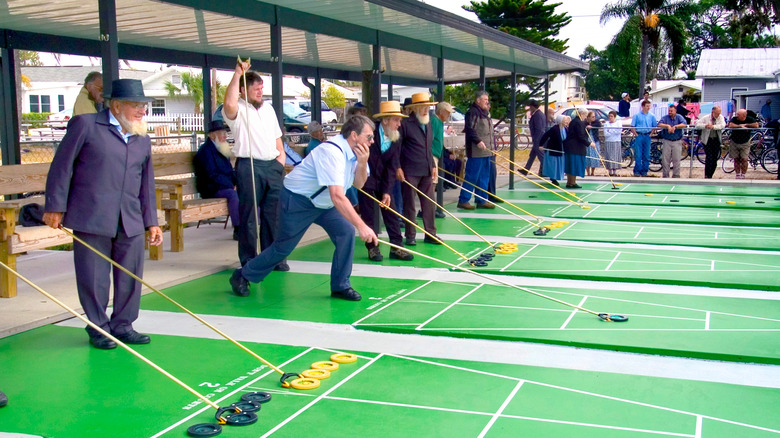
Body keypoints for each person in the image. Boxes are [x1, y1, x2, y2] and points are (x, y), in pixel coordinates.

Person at [43, 79, 163, 350]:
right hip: (91, 215)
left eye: (143, 105)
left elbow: (146, 182)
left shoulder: (142, 137)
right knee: (93, 276)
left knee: (130, 276)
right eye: (136, 105)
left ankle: (123, 325)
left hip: (130, 218)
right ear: (117, 105)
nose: (142, 110)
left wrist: (151, 221)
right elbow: (61, 167)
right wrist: (55, 207)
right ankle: (98, 327)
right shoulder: (86, 125)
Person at [229, 115, 378, 301]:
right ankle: (242, 275)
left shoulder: (357, 152)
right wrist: (362, 225)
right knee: (283, 248)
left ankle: (340, 285)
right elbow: (338, 196)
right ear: (354, 135)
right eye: (369, 137)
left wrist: (362, 163)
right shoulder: (332, 152)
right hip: (298, 199)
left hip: (323, 203)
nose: (372, 141)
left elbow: (358, 184)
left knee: (346, 233)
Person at [222, 60, 287, 270]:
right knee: (249, 216)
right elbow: (230, 103)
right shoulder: (237, 109)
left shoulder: (268, 109)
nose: (260, 91)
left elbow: (278, 138)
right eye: (256, 88)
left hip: (272, 166)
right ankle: (250, 261)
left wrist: (280, 162)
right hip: (249, 166)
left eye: (262, 88)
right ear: (243, 90)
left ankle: (272, 258)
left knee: (273, 215)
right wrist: (238, 72)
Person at [358, 101, 413, 262]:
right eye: (396, 120)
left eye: (399, 120)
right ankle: (373, 248)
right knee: (368, 215)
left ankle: (396, 247)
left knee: (391, 210)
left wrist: (387, 191)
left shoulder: (396, 136)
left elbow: (393, 164)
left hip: (384, 179)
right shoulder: (369, 132)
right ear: (385, 120)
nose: (399, 124)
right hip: (365, 178)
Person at [395, 92, 441, 246]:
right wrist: (398, 168)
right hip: (409, 171)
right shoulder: (405, 124)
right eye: (422, 107)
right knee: (409, 205)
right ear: (414, 108)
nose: (425, 109)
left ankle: (431, 234)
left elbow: (428, 147)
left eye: (427, 106)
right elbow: (397, 149)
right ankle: (410, 235)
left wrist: (433, 165)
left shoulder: (428, 123)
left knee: (429, 203)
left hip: (426, 169)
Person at [193, 120, 240, 240]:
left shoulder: (221, 148)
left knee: (246, 190)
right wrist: (230, 185)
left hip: (223, 186)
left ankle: (254, 225)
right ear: (212, 135)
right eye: (221, 133)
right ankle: (238, 229)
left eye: (225, 134)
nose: (224, 136)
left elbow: (230, 171)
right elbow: (211, 175)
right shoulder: (205, 152)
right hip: (210, 188)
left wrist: (239, 182)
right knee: (233, 195)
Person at [457, 91, 495, 210]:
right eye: (485, 99)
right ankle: (463, 200)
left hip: (486, 150)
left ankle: (481, 199)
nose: (487, 102)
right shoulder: (472, 112)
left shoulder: (484, 113)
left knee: (484, 176)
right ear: (478, 100)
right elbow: (470, 129)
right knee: (472, 175)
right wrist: (478, 141)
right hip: (476, 150)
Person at [431, 101, 456, 217]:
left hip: (437, 155)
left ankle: (430, 209)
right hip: (432, 156)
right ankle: (429, 209)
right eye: (447, 113)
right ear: (441, 112)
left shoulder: (439, 122)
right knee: (432, 183)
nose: (449, 116)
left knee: (433, 182)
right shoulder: (435, 121)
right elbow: (430, 141)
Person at [657, 103, 688, 178]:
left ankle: (676, 175)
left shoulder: (679, 117)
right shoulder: (665, 117)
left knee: (676, 159)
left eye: (671, 111)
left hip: (677, 141)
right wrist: (667, 126)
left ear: (675, 111)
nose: (670, 112)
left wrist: (675, 127)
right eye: (669, 111)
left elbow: (684, 124)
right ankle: (665, 175)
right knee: (665, 160)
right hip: (667, 140)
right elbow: (659, 124)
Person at [695, 105, 726, 179]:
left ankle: (710, 175)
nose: (718, 115)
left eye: (719, 113)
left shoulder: (720, 117)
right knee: (709, 158)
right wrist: (705, 126)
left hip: (716, 140)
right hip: (707, 140)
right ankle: (707, 175)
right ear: (713, 112)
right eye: (717, 113)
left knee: (715, 159)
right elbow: (697, 125)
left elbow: (722, 125)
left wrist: (713, 127)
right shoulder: (706, 117)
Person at [563, 109, 591, 188]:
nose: (585, 117)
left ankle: (570, 182)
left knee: (571, 165)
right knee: (573, 166)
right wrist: (589, 143)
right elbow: (580, 136)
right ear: (581, 114)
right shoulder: (578, 123)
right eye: (585, 115)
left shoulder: (575, 122)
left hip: (571, 147)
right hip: (575, 148)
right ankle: (572, 182)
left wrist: (586, 129)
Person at [727, 109, 759, 179]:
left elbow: (756, 125)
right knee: (736, 159)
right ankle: (737, 174)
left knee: (744, 159)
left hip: (745, 142)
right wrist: (739, 126)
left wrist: (746, 125)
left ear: (744, 115)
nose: (737, 116)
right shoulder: (734, 119)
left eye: (739, 115)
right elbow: (730, 125)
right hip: (734, 141)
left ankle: (743, 174)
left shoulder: (749, 119)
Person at [630, 100, 658, 177]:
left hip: (647, 136)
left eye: (649, 106)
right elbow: (632, 126)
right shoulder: (637, 115)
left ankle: (644, 171)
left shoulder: (652, 116)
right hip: (639, 135)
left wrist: (651, 134)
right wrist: (636, 134)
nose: (648, 107)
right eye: (647, 106)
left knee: (646, 154)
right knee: (638, 154)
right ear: (643, 106)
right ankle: (637, 171)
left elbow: (654, 126)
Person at [540, 115, 568, 186]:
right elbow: (545, 135)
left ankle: (557, 177)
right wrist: (541, 145)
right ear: (560, 121)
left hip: (561, 150)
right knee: (553, 165)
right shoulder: (554, 129)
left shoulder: (565, 129)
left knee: (559, 165)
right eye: (564, 120)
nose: (566, 121)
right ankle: (553, 179)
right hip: (553, 150)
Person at [521, 99, 546, 175]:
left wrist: (537, 140)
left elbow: (539, 129)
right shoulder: (539, 114)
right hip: (538, 139)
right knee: (532, 155)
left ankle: (548, 170)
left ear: (532, 107)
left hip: (538, 139)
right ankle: (526, 169)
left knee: (541, 156)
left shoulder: (537, 115)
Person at [602, 111, 623, 177]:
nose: (610, 118)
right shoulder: (606, 124)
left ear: (614, 117)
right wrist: (613, 131)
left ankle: (615, 170)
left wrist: (610, 131)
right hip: (609, 141)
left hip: (616, 141)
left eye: (612, 116)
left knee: (615, 155)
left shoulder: (618, 123)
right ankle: (610, 170)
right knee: (609, 155)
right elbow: (606, 134)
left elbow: (618, 131)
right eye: (609, 116)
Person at [585, 110, 603, 176]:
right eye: (592, 117)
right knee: (587, 156)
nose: (594, 118)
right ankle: (588, 172)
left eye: (594, 116)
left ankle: (593, 171)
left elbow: (599, 125)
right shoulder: (585, 122)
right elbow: (583, 126)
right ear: (588, 117)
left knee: (594, 155)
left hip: (594, 140)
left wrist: (591, 126)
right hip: (587, 141)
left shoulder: (596, 122)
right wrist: (587, 127)